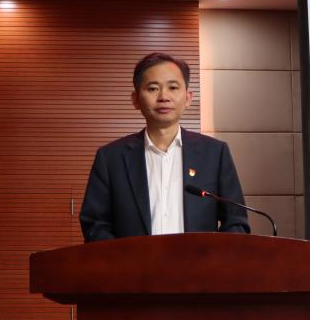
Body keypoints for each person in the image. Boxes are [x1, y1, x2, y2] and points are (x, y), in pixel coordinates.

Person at [79, 52, 251, 242]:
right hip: (132, 262)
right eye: (153, 88)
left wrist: (213, 257)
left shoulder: (215, 154)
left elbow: (236, 222)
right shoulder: (111, 158)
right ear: (135, 99)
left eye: (173, 87)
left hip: (198, 262)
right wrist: (124, 258)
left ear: (188, 98)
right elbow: (95, 224)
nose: (164, 96)